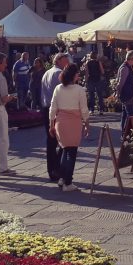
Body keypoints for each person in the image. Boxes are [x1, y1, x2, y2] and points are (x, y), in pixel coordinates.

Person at [50, 63, 89, 192]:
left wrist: (51, 124)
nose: (78, 75)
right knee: (71, 152)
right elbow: (84, 110)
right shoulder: (79, 90)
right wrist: (87, 124)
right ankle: (68, 181)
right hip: (74, 122)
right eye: (77, 73)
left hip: (60, 122)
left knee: (64, 149)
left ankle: (62, 178)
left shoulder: (58, 88)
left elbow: (53, 108)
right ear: (73, 75)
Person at [41, 53, 70, 182]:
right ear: (58, 60)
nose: (67, 62)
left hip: (46, 108)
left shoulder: (47, 73)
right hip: (55, 109)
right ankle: (56, 169)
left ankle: (52, 169)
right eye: (65, 60)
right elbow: (60, 94)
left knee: (51, 141)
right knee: (62, 141)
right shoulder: (59, 73)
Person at [115, 51, 133, 129]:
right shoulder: (125, 68)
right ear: (131, 59)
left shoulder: (127, 67)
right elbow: (120, 83)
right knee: (130, 114)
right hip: (126, 95)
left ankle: (124, 133)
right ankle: (128, 133)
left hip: (127, 94)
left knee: (125, 114)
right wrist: (117, 94)